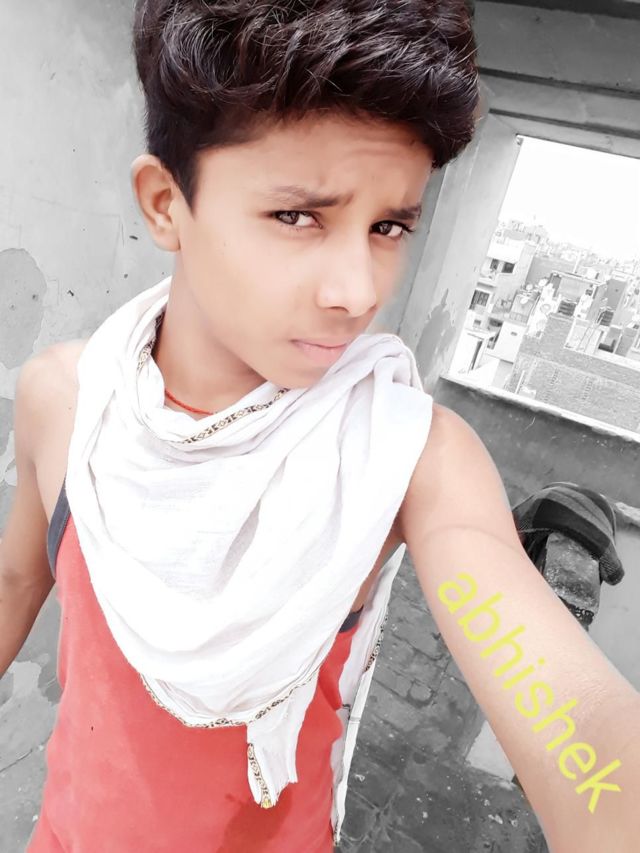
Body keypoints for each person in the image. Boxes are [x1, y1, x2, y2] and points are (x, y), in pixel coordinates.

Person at [0, 1, 638, 850]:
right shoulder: (68, 400)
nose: (357, 292)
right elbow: (15, 582)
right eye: (299, 216)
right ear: (164, 204)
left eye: (388, 226)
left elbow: (582, 729)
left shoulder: (408, 457)